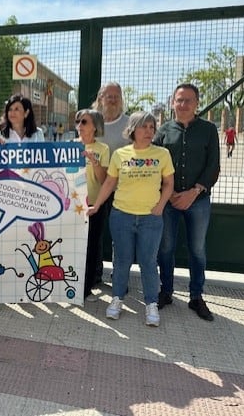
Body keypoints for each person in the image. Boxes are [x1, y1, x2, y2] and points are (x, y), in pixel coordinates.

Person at [87, 112, 174, 327]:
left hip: (150, 219)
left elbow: (169, 184)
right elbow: (109, 183)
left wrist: (161, 205)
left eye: (152, 127)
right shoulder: (120, 154)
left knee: (148, 262)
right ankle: (117, 299)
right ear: (133, 129)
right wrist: (97, 205)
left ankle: (151, 304)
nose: (148, 131)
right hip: (121, 216)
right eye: (144, 126)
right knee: (122, 261)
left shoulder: (162, 154)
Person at [154, 83, 220, 322]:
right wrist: (168, 194)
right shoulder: (162, 131)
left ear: (197, 103)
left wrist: (194, 192)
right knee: (165, 249)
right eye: (179, 100)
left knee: (197, 250)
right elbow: (155, 166)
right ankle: (166, 291)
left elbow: (213, 165)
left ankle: (196, 297)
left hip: (198, 200)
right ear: (173, 102)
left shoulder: (209, 130)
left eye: (188, 100)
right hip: (168, 201)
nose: (183, 104)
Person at [91, 82, 130, 283]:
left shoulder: (129, 123)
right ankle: (95, 273)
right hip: (94, 187)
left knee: (120, 235)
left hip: (121, 189)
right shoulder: (91, 121)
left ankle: (119, 275)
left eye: (116, 96)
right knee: (95, 233)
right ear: (100, 98)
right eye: (109, 96)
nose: (113, 100)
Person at [74, 109, 109, 302]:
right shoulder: (69, 146)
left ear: (95, 126)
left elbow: (104, 180)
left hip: (94, 205)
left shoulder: (103, 149)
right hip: (71, 206)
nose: (80, 125)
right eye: (78, 121)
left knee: (90, 247)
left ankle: (86, 289)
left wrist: (94, 162)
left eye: (84, 122)